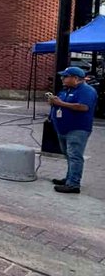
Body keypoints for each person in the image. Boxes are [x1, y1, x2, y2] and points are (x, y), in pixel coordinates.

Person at [48, 66, 98, 194]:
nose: (62, 78)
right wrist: (54, 102)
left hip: (77, 129)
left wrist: (60, 104)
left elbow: (83, 107)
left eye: (65, 76)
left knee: (75, 156)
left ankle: (73, 184)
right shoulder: (66, 90)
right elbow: (60, 103)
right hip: (63, 128)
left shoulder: (86, 91)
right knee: (68, 155)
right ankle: (70, 178)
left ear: (75, 78)